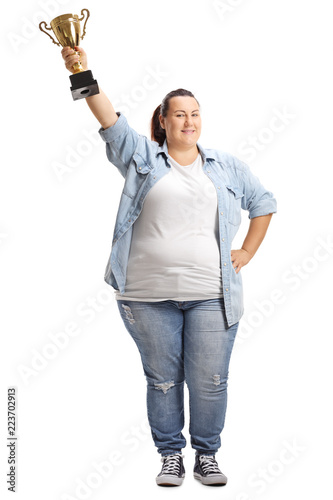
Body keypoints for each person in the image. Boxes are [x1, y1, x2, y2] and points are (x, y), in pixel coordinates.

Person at [61, 46, 277, 487]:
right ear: (163, 120)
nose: (189, 121)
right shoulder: (142, 157)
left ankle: (207, 456)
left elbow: (264, 204)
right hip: (146, 296)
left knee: (210, 381)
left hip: (212, 295)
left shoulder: (226, 166)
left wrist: (248, 251)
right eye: (179, 114)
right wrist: (80, 71)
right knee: (162, 381)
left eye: (195, 113)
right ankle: (170, 456)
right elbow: (107, 120)